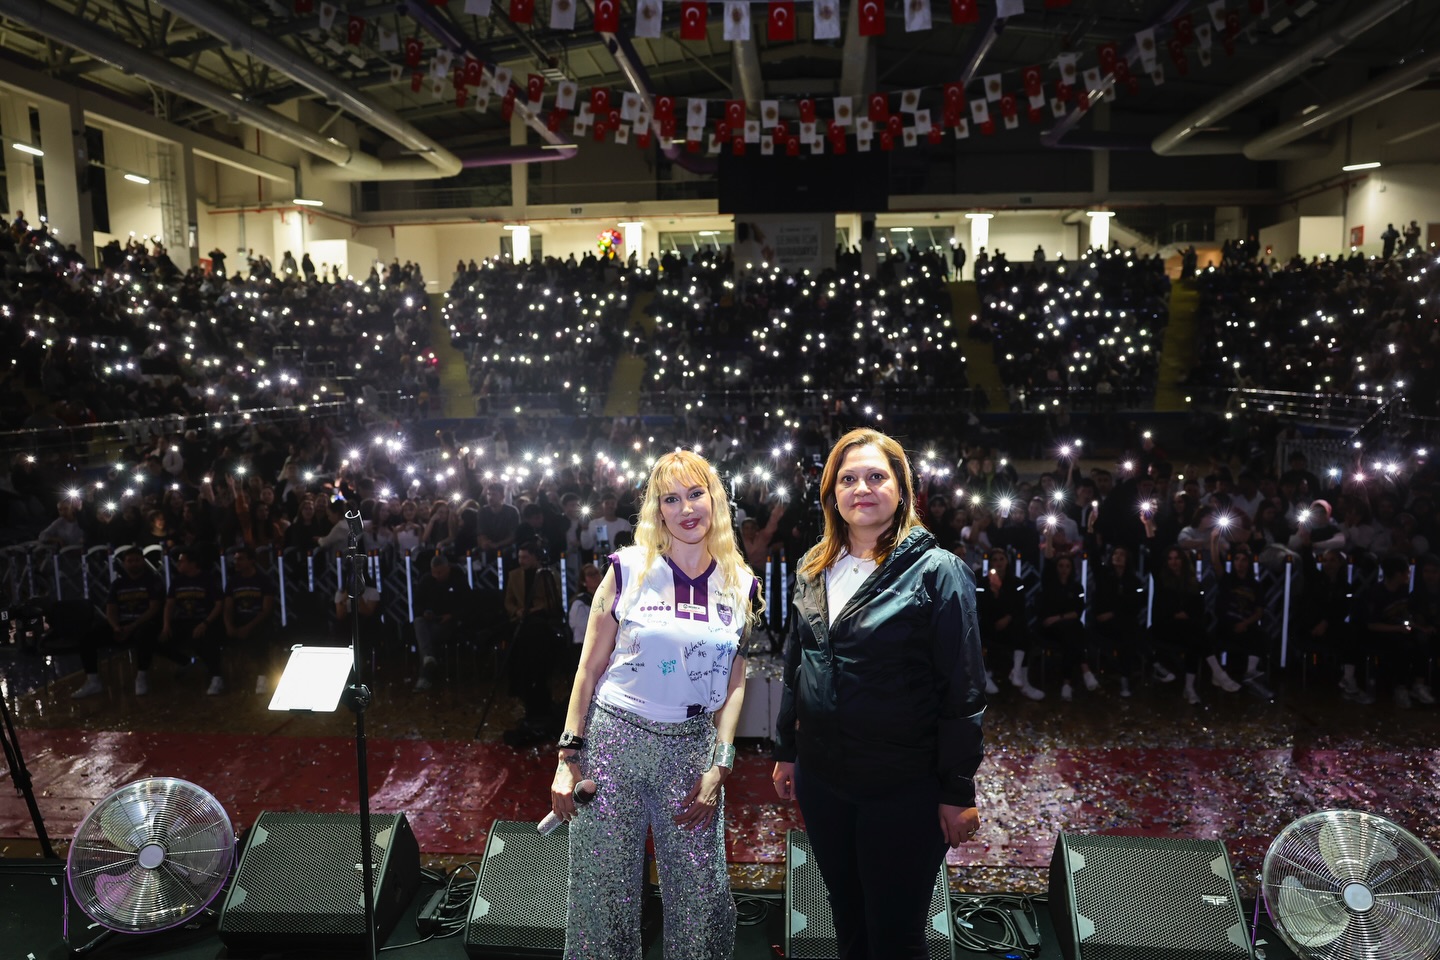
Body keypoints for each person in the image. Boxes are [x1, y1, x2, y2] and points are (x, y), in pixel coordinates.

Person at [772, 428, 986, 960]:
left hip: (903, 786)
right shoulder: (812, 566)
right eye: (848, 479)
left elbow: (961, 688)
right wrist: (786, 751)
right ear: (831, 494)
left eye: (875, 476)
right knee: (848, 922)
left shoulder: (938, 572)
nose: (861, 488)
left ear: (901, 489)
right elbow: (797, 663)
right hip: (824, 781)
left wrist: (957, 789)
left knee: (896, 935)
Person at [548, 450, 759, 959]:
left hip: (691, 750)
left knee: (699, 895)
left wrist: (721, 760)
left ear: (716, 500)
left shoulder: (742, 584)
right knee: (603, 895)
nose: (686, 508)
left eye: (695, 493)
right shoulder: (628, 570)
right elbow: (588, 669)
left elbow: (735, 677)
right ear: (656, 509)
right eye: (671, 498)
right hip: (614, 741)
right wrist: (566, 758)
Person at [413, 552, 472, 691]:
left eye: (440, 572)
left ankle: (425, 673)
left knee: (426, 637)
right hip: (430, 620)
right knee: (419, 622)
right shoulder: (426, 580)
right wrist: (424, 612)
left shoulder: (458, 580)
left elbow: (468, 604)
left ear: (447, 568)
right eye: (435, 573)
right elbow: (416, 604)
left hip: (450, 622)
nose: (437, 576)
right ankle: (428, 659)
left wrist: (452, 615)